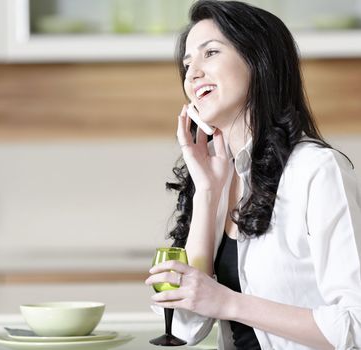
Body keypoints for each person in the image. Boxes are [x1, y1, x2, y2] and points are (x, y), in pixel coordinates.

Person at [144, 1, 361, 349]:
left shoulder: (317, 171)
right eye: (187, 65)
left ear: (259, 61)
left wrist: (228, 302)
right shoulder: (216, 178)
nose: (193, 73)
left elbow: (355, 325)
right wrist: (206, 194)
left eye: (210, 53)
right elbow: (184, 328)